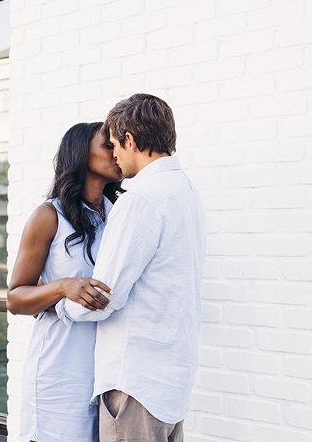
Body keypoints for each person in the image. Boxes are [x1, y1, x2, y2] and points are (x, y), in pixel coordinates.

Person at [55, 93, 206, 442]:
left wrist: (58, 302)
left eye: (114, 145)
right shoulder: (186, 191)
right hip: (171, 381)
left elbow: (105, 295)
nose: (115, 156)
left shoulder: (140, 199)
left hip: (136, 383)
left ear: (131, 140)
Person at [7, 122, 124, 442]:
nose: (116, 152)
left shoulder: (119, 215)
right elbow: (15, 299)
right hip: (59, 369)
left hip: (106, 371)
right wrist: (61, 286)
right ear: (79, 151)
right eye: (107, 145)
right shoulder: (49, 216)